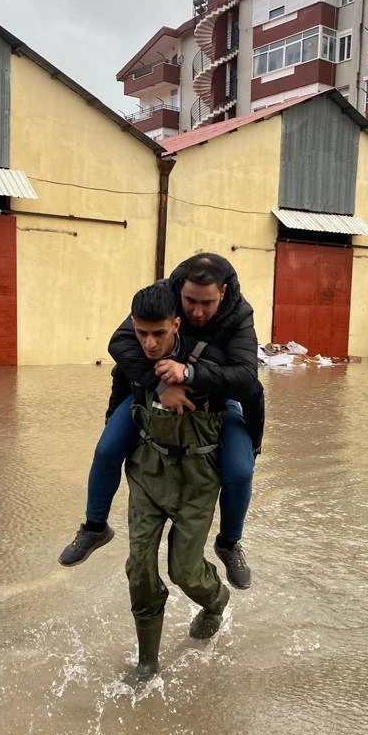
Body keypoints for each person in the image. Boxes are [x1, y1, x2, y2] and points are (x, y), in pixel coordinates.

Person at [59, 253, 264, 588]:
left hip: (217, 398)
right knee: (107, 449)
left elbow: (246, 379)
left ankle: (229, 543)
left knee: (241, 470)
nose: (197, 311)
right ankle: (94, 527)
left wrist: (190, 373)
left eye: (207, 303)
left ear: (223, 293)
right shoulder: (161, 298)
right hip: (149, 390)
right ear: (178, 291)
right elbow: (121, 343)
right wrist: (160, 385)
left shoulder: (240, 315)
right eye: (190, 301)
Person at [121, 283, 231, 686]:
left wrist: (190, 380)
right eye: (141, 333)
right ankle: (147, 662)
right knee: (139, 567)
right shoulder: (133, 360)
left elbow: (245, 387)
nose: (150, 344)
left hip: (197, 482)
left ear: (176, 324)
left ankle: (216, 598)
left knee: (185, 570)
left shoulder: (209, 360)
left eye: (159, 334)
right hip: (148, 475)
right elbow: (119, 400)